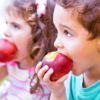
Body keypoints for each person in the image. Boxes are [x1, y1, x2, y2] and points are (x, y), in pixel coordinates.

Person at [36, 0, 100, 100]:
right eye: (57, 31)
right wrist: (58, 93)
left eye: (68, 33)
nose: (56, 43)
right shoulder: (70, 75)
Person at [0, 0, 56, 100]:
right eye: (6, 23)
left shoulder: (46, 72)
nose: (5, 32)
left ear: (37, 36)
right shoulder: (10, 63)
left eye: (16, 26)